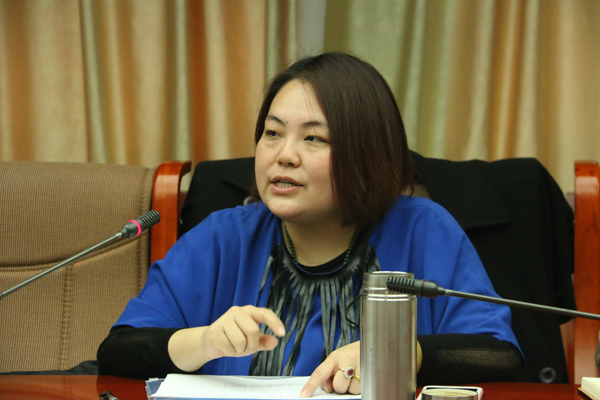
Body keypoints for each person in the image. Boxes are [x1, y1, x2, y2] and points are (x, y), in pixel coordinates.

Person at [97, 52, 523, 396]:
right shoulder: (223, 237)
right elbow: (119, 350)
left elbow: (497, 354)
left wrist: (397, 353)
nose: (284, 155)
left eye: (313, 138)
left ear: (366, 153)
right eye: (272, 133)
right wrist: (203, 341)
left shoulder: (423, 230)